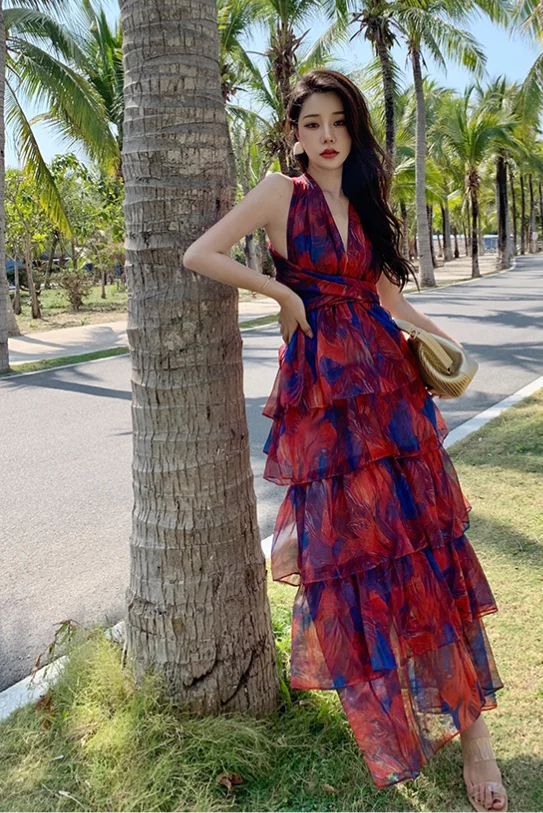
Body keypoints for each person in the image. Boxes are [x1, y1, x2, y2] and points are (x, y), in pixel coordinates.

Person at [183, 68, 507, 812]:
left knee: (422, 553)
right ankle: (395, 725)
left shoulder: (364, 198)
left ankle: (476, 737)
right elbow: (201, 254)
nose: (327, 136)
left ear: (353, 131)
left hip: (388, 394)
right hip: (325, 402)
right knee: (355, 562)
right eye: (313, 124)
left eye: (339, 123)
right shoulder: (279, 193)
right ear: (294, 135)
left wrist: (448, 345)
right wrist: (282, 291)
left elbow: (388, 299)